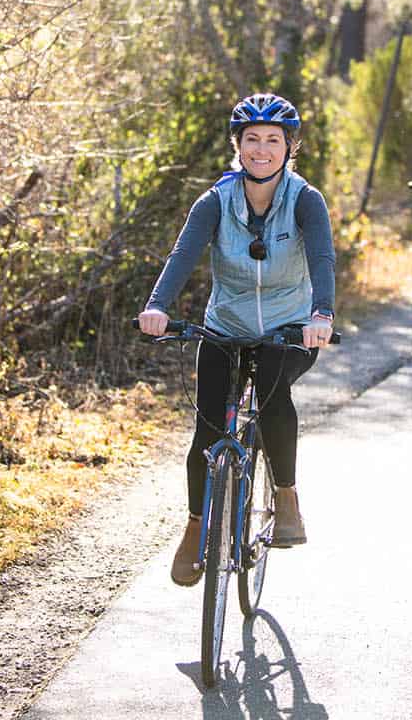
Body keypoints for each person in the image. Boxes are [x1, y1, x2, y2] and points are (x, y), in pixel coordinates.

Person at [138, 93, 335, 587]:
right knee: (207, 430)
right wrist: (159, 305)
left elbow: (323, 259)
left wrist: (322, 313)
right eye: (252, 140)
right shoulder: (216, 201)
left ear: (290, 148)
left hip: (289, 328)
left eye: (273, 140)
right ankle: (195, 526)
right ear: (238, 146)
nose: (262, 150)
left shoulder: (306, 200)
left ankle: (286, 499)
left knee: (272, 395)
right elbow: (183, 255)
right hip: (225, 324)